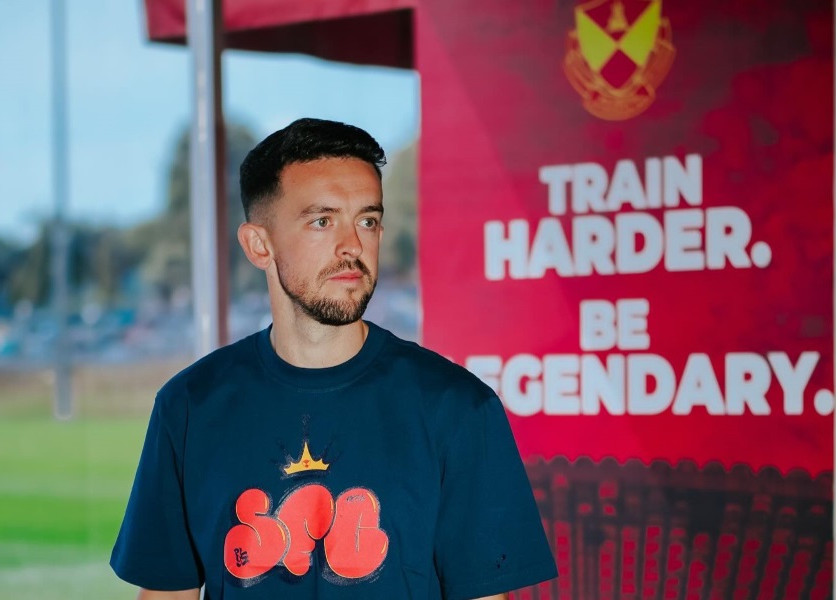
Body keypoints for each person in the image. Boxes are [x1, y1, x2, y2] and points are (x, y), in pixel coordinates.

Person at [110, 118, 557, 599]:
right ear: (259, 245)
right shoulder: (189, 406)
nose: (353, 246)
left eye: (367, 220)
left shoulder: (459, 409)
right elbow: (167, 592)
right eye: (322, 221)